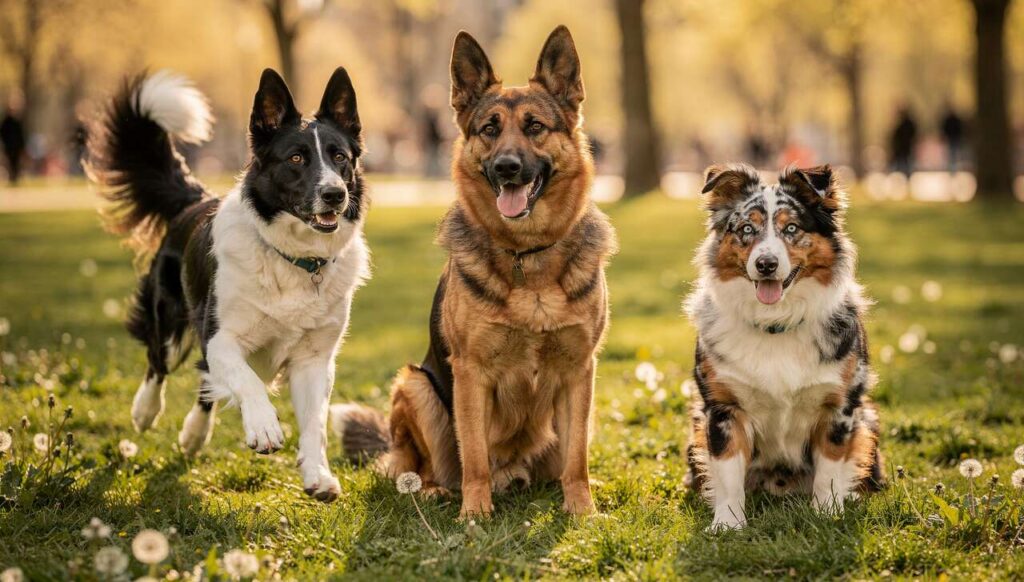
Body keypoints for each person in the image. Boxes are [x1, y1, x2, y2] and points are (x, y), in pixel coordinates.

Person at [0, 100, 26, 185]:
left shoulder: (18, 121)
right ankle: (12, 178)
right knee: (11, 162)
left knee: (16, 162)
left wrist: (22, 146)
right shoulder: (6, 121)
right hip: (9, 146)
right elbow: (3, 133)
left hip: (16, 146)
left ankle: (15, 178)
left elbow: (21, 135)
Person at [889, 106, 918, 176]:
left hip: (903, 148)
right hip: (905, 148)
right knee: (905, 163)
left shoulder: (904, 125)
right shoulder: (907, 124)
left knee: (903, 163)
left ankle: (903, 175)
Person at [940, 105, 965, 174]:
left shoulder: (953, 119)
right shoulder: (951, 119)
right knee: (952, 153)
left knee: (953, 153)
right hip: (952, 138)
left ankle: (953, 169)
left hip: (954, 138)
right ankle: (952, 169)